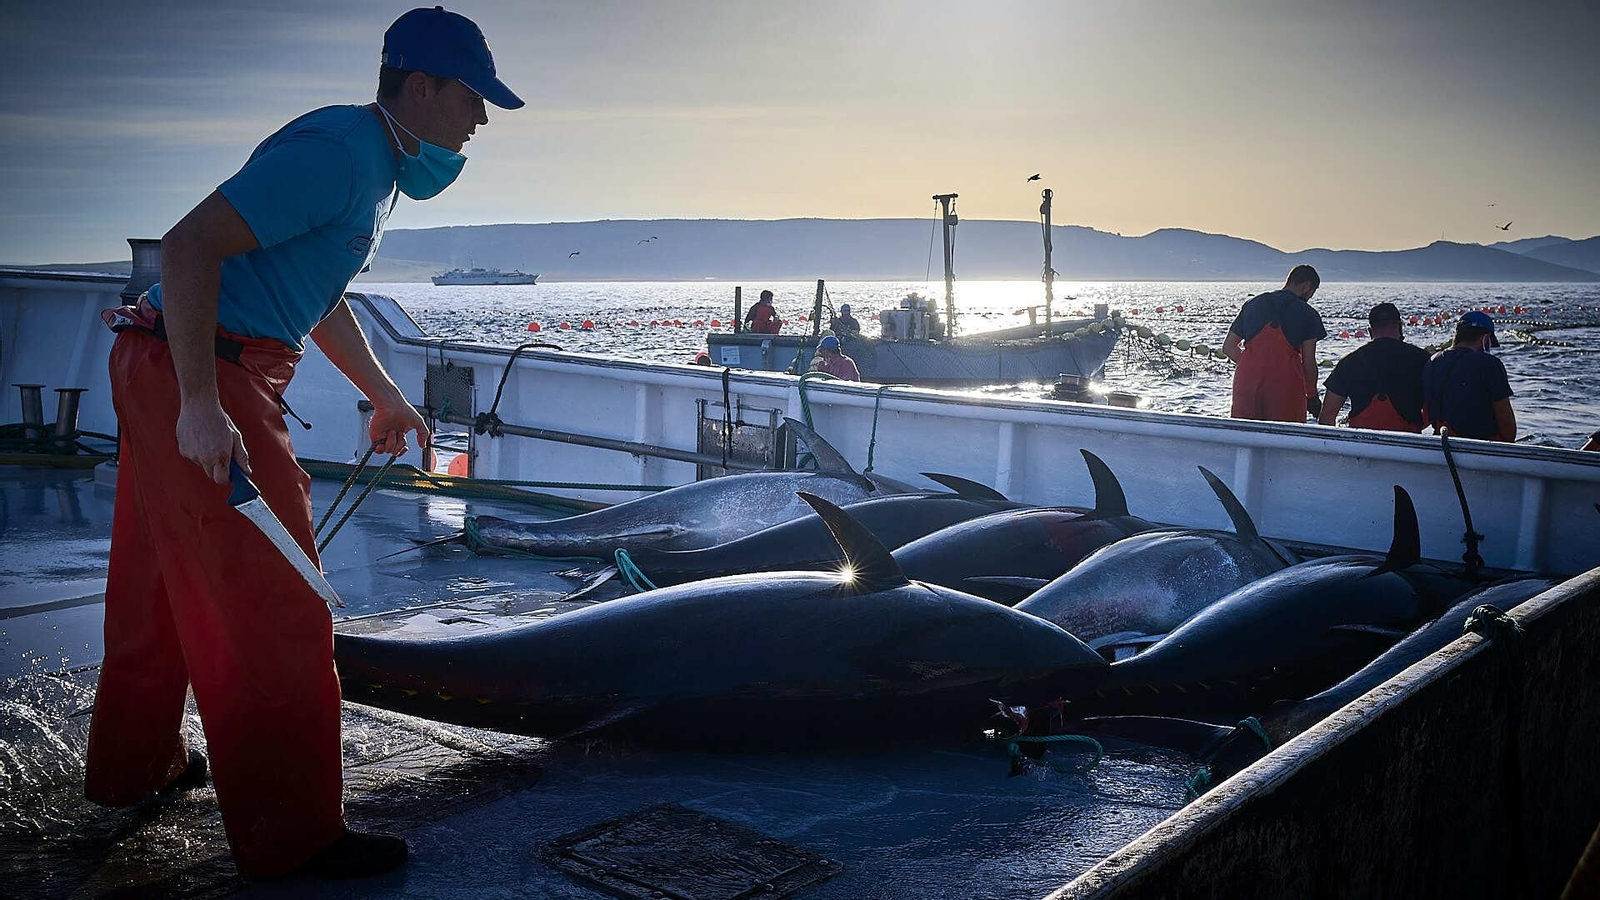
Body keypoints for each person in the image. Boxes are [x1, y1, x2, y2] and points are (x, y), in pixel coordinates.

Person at [84, 7, 523, 880]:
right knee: (284, 598)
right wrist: (204, 406)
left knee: (160, 583)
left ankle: (136, 770)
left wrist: (386, 393)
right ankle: (294, 836)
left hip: (176, 364)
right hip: (203, 371)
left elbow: (314, 293)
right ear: (423, 86)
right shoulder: (342, 155)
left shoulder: (373, 165)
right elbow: (187, 246)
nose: (481, 121)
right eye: (474, 99)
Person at [1223, 265, 1327, 423]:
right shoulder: (1308, 314)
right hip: (1284, 388)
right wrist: (1312, 396)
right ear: (1307, 286)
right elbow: (1309, 363)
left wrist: (1253, 365)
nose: (1310, 297)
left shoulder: (1253, 304)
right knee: (1285, 440)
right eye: (1312, 292)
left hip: (1247, 385)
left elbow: (1228, 347)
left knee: (1244, 437)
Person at [1318, 302, 1431, 432]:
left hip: (1361, 444)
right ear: (1400, 326)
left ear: (1370, 331)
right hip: (1407, 443)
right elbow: (1435, 409)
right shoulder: (1422, 359)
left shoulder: (1350, 362)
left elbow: (1327, 416)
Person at [1423, 311, 1516, 442]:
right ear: (1485, 339)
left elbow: (1427, 412)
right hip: (1482, 445)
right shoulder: (1489, 364)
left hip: (1441, 443)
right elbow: (1506, 422)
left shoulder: (1432, 361)